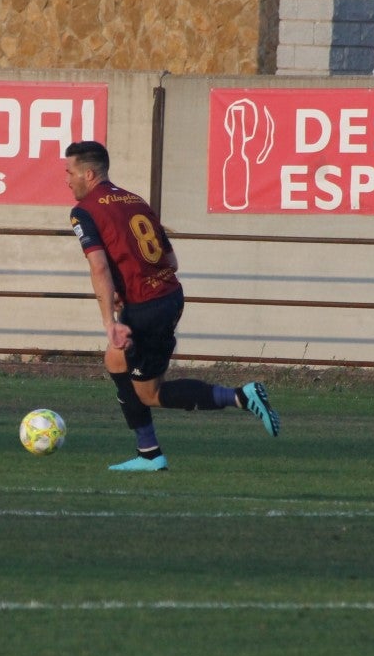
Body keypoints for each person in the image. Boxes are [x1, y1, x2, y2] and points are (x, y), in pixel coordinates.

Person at [64, 140, 278, 472]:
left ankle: (238, 397)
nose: (67, 180)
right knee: (116, 359)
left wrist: (110, 321)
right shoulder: (134, 201)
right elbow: (172, 261)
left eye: (70, 172)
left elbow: (99, 267)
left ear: (88, 174)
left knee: (149, 393)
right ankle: (149, 451)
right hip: (167, 296)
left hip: (147, 307)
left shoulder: (85, 211)